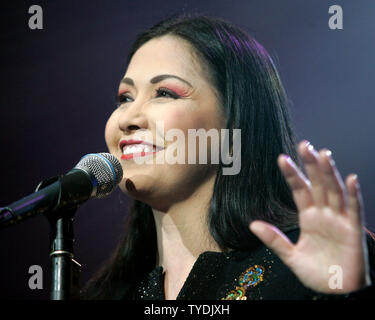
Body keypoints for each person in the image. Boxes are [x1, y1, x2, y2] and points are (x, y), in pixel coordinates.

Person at [81, 14, 375, 300]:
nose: (128, 118)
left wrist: (343, 291)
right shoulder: (107, 293)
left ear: (234, 122)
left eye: (165, 93)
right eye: (125, 98)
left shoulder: (310, 263)